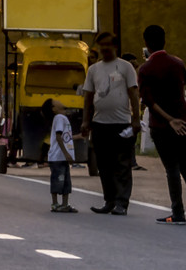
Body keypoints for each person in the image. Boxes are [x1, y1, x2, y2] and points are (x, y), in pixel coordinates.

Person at [81, 31, 140, 215]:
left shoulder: (126, 67)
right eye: (101, 45)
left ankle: (122, 202)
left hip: (121, 123)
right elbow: (88, 97)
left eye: (108, 44)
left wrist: (136, 119)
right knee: (104, 165)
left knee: (122, 164)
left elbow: (133, 93)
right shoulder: (93, 69)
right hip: (100, 123)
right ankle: (109, 200)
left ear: (115, 46)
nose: (104, 48)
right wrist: (85, 121)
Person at [137, 24, 186, 225]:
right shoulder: (178, 63)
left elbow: (149, 101)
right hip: (183, 123)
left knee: (172, 169)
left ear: (147, 43)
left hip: (161, 125)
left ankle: (178, 211)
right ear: (164, 40)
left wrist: (169, 120)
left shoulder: (146, 69)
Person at [42, 98, 77, 212]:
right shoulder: (59, 118)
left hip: (61, 157)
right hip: (58, 157)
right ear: (54, 108)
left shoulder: (62, 118)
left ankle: (65, 204)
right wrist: (67, 154)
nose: (59, 101)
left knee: (66, 181)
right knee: (58, 180)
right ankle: (55, 204)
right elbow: (58, 137)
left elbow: (65, 137)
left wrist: (79, 136)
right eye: (55, 101)